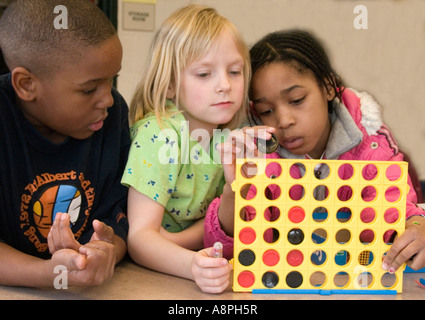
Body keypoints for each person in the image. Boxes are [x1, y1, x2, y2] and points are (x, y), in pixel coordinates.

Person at [204, 29, 425, 274]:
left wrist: (416, 224)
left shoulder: (372, 144)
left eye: (297, 100)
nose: (284, 120)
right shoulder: (258, 154)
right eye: (267, 110)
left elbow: (399, 212)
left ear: (329, 87)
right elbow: (224, 248)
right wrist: (234, 189)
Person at [121, 5, 251, 293]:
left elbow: (220, 223)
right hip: (149, 281)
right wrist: (192, 265)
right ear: (168, 85)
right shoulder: (159, 135)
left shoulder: (227, 138)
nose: (225, 85)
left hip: (191, 262)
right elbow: (140, 238)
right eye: (204, 74)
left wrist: (177, 243)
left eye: (234, 71)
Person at [0, 0, 129, 287]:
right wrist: (50, 274)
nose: (108, 99)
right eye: (88, 89)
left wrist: (108, 251)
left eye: (113, 80)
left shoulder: (113, 114)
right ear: (26, 85)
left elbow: (117, 214)